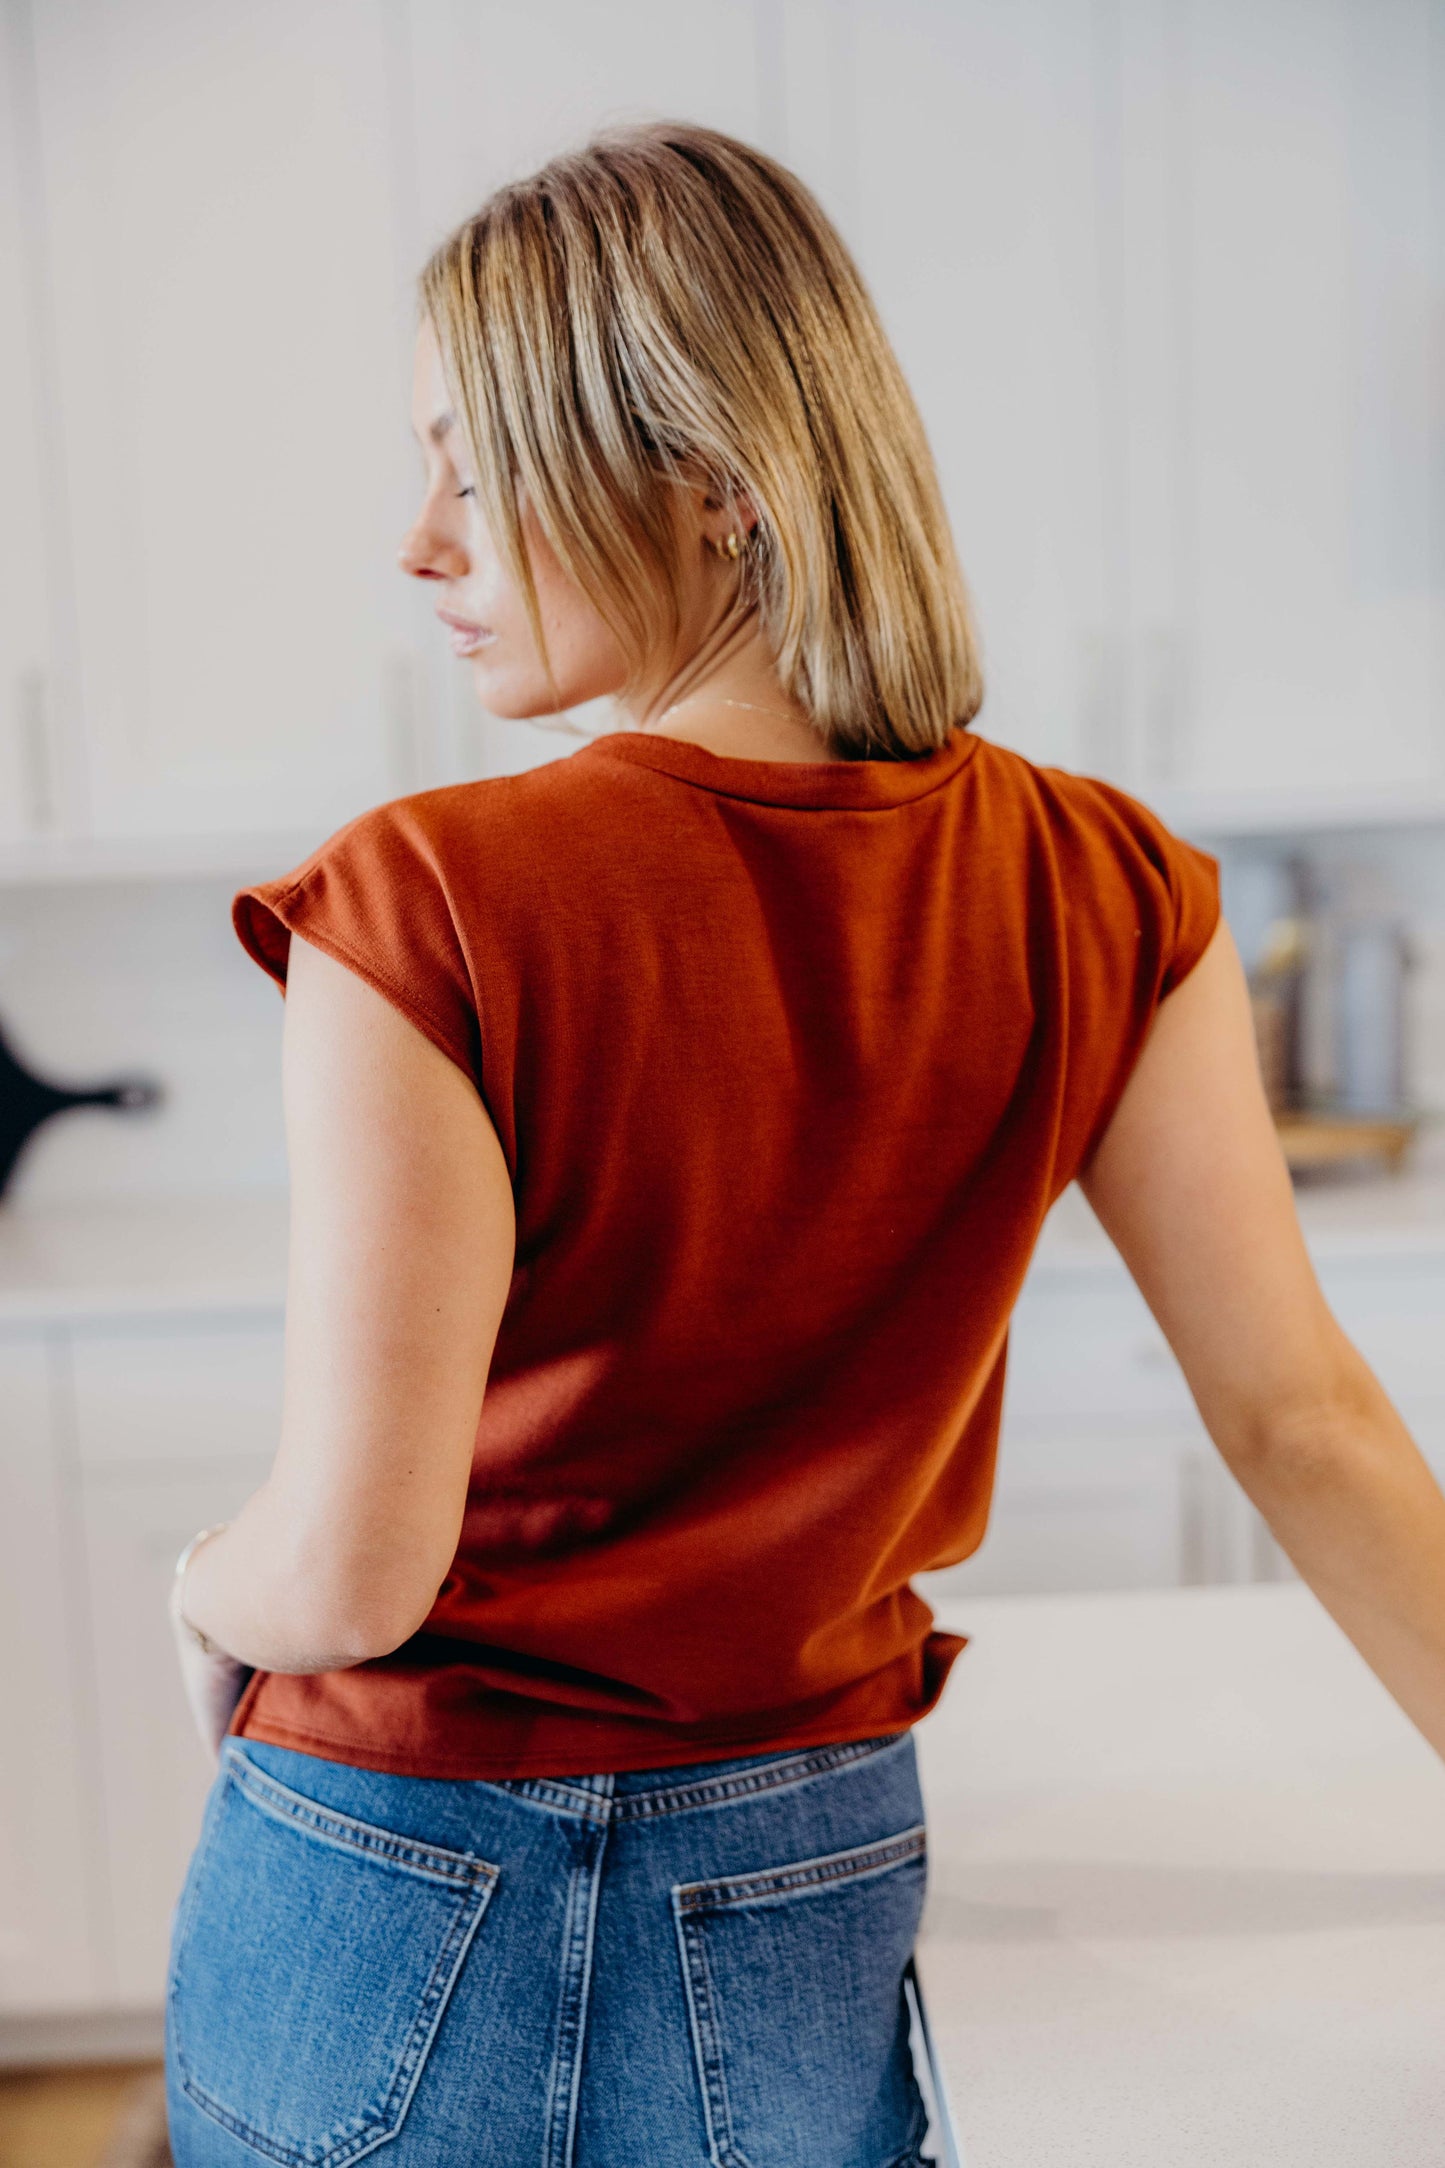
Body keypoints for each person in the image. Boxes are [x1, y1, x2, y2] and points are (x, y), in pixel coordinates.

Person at [161, 122, 1445, 2168]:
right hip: (804, 1893)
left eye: (473, 467)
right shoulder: (1109, 889)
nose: (420, 543)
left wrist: (202, 1584)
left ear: (713, 487)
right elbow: (1305, 1417)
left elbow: (351, 1562)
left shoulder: (420, 902)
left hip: (390, 1873)